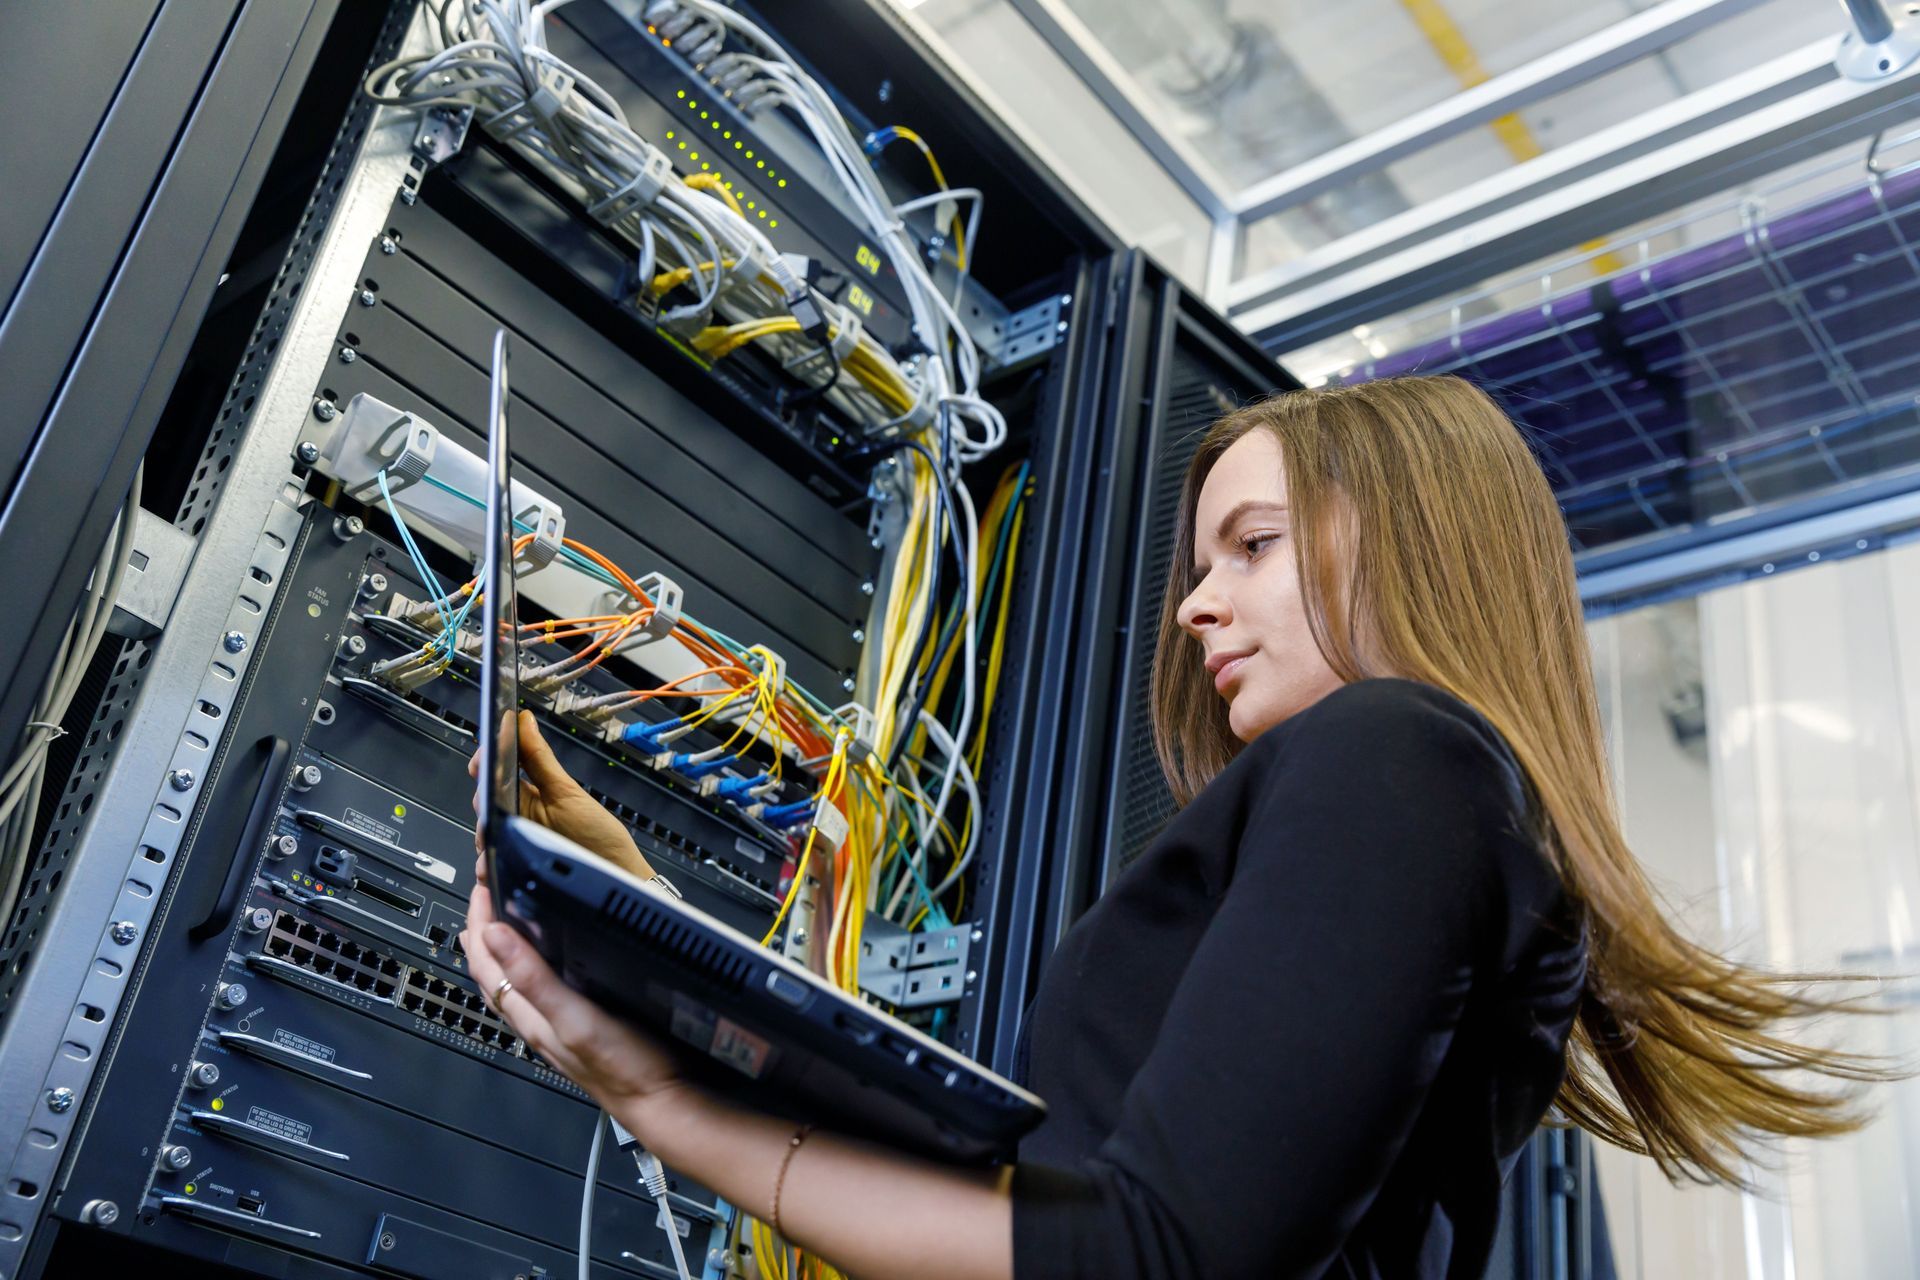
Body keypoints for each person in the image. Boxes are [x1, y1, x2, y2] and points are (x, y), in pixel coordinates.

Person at [462, 375, 1894, 1279]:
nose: (1197, 601)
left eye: (1252, 548)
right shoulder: (1421, 803)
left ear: (1416, 546)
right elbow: (1046, 1187)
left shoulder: (1402, 757)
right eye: (1202, 561)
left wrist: (672, 1108)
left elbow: (1153, 1256)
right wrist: (655, 933)